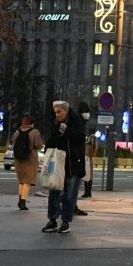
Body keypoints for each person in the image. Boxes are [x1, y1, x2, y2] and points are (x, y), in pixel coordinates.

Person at [43, 100, 85, 234]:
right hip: (57, 163)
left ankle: (65, 222)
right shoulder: (55, 123)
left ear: (66, 110)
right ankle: (53, 220)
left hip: (72, 164)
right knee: (54, 192)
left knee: (68, 195)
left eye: (59, 112)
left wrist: (66, 130)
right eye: (55, 112)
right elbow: (50, 141)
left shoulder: (77, 121)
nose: (57, 115)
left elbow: (80, 138)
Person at [11, 112, 46, 211]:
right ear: (32, 123)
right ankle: (23, 201)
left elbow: (13, 142)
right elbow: (39, 145)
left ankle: (20, 198)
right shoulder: (35, 132)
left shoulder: (17, 131)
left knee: (21, 180)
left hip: (18, 158)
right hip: (29, 158)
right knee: (28, 180)